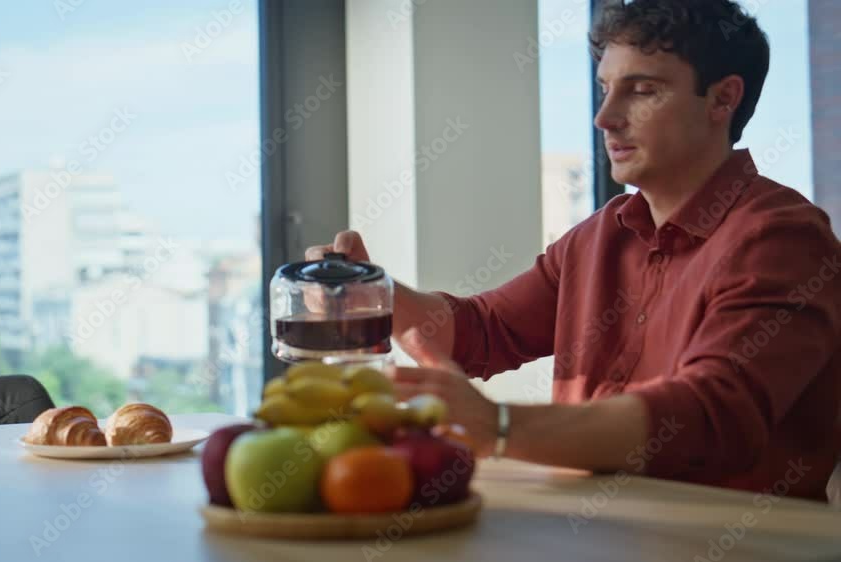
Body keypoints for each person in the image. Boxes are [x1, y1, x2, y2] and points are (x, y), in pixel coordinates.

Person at [307, 0, 841, 501]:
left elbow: (713, 414)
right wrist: (372, 294)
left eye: (642, 89)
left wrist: (499, 428)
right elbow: (480, 332)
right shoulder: (598, 237)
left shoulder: (782, 238)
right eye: (605, 88)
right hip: (593, 530)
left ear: (723, 99)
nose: (605, 117)